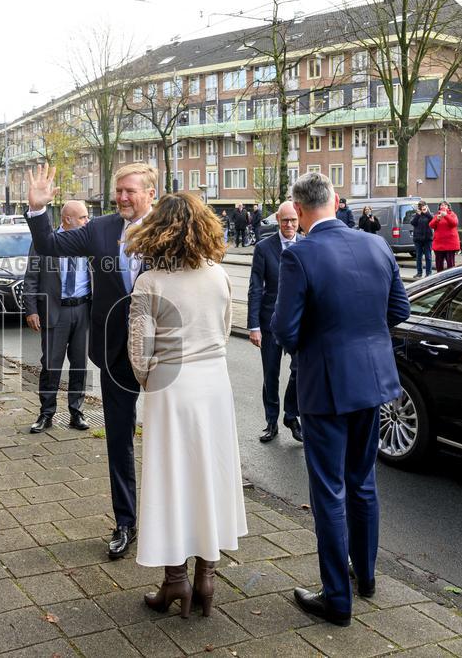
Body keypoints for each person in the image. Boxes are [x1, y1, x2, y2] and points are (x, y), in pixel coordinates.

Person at [271, 172, 410, 627]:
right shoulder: (376, 244)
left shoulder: (301, 255)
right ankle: (365, 578)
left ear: (300, 207)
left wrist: (320, 349)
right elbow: (400, 310)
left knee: (329, 490)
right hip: (373, 382)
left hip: (326, 387)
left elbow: (284, 330)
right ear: (333, 200)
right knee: (363, 481)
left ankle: (337, 598)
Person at [24, 162, 154, 560]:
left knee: (170, 437)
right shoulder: (99, 229)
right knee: (119, 437)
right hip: (114, 347)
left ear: (151, 192)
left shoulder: (171, 225)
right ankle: (126, 522)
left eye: (130, 190)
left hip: (164, 350)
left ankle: (172, 520)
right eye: (118, 191)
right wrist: (37, 210)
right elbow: (50, 246)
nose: (122, 197)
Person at [127, 192, 247, 619]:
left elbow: (138, 353)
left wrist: (151, 375)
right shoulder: (220, 275)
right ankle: (206, 577)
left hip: (170, 388)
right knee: (210, 474)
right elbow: (225, 328)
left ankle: (174, 579)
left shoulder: (150, 282)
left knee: (170, 476)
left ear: (158, 229)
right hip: (213, 384)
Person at [22, 200, 92, 434]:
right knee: (51, 366)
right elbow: (31, 277)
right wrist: (31, 310)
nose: (87, 221)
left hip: (83, 309)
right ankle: (46, 414)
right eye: (83, 217)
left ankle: (76, 412)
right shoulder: (45, 242)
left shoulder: (89, 243)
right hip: (55, 310)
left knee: (80, 365)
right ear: (68, 219)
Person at [247, 202, 302, 444]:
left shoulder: (308, 244)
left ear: (299, 219)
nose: (289, 225)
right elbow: (255, 288)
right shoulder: (264, 248)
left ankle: (291, 415)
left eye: (293, 220)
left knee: (299, 371)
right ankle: (271, 421)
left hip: (300, 324)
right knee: (271, 374)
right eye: (284, 221)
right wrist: (254, 326)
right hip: (269, 323)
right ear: (277, 220)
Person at [429, 201, 459, 272]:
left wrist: (446, 215)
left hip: (450, 244)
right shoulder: (437, 216)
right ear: (439, 207)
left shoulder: (452, 214)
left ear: (448, 207)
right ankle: (440, 280)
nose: (443, 206)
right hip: (439, 244)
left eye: (445, 205)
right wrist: (437, 219)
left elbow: (454, 223)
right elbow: (431, 225)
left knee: (450, 265)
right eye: (441, 205)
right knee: (439, 265)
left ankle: (451, 279)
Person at [410, 201, 433, 278]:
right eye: (420, 206)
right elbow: (413, 223)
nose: (422, 208)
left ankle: (428, 273)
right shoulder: (416, 214)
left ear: (426, 206)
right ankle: (419, 273)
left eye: (423, 206)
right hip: (418, 239)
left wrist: (426, 212)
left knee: (428, 256)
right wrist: (417, 215)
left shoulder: (429, 214)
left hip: (427, 238)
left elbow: (432, 220)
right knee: (418, 256)